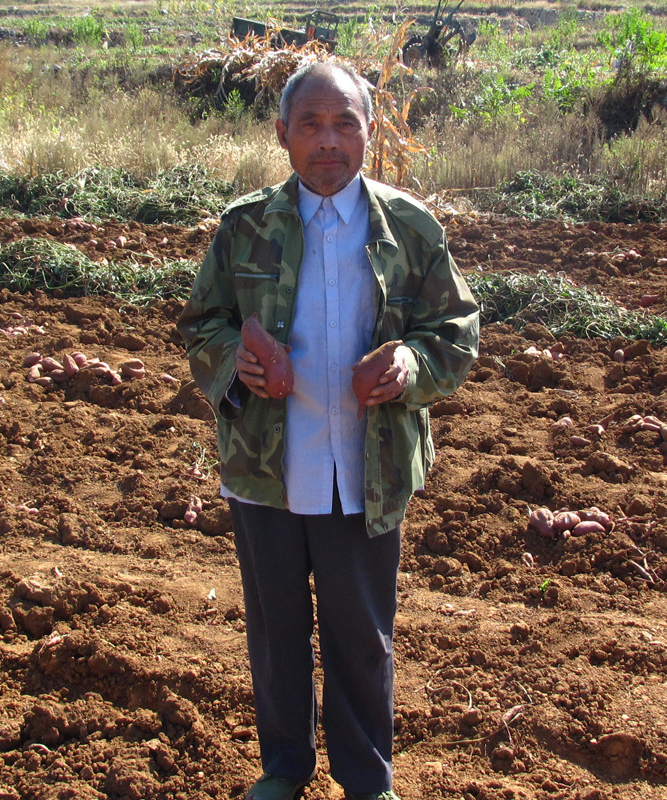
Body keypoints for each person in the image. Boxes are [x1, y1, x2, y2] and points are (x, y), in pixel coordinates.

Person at [177, 61, 479, 800]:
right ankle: (284, 769)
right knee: (278, 635)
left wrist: (411, 361)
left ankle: (365, 779)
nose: (328, 141)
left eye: (345, 123)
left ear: (371, 132)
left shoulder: (410, 228)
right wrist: (234, 361)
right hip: (268, 468)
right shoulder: (244, 227)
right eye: (310, 124)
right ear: (282, 134)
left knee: (361, 636)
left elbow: (457, 330)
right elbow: (201, 324)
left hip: (366, 467)